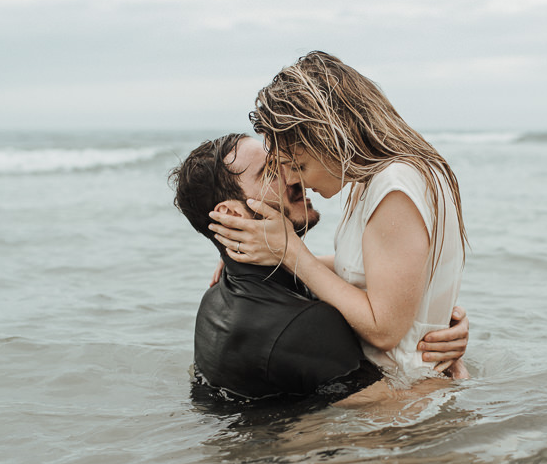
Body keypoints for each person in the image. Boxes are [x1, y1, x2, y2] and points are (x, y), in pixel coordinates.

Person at [209, 51, 469, 387]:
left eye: (298, 165)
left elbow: (384, 329)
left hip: (398, 409)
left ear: (331, 138)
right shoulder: (382, 178)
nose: (291, 180)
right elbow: (372, 268)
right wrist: (267, 256)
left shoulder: (395, 186)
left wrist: (291, 253)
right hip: (393, 394)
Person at [169, 133, 469, 401]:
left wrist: (434, 318)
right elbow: (397, 408)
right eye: (271, 172)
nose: (293, 176)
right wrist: (448, 366)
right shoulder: (305, 325)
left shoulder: (216, 298)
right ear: (232, 214)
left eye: (283, 162)